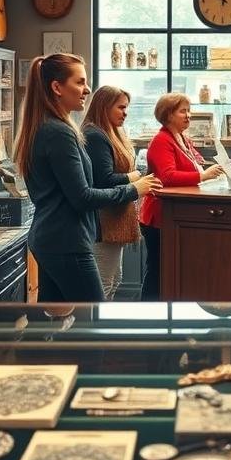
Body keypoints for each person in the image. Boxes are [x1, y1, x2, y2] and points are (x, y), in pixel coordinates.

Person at [14, 54, 161, 302]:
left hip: (52, 239)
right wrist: (134, 189)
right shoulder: (59, 133)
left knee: (53, 316)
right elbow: (83, 197)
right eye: (80, 82)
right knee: (93, 316)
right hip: (66, 242)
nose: (87, 89)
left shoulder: (48, 127)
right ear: (57, 87)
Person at [139, 93, 225, 300]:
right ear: (168, 115)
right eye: (183, 111)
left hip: (175, 214)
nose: (189, 116)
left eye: (189, 111)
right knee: (158, 271)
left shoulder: (182, 138)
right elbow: (167, 176)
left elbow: (195, 162)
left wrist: (202, 169)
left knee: (169, 270)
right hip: (160, 215)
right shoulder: (161, 140)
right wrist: (203, 175)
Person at [81, 86, 142, 300]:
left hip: (114, 220)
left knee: (114, 279)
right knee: (104, 283)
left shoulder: (109, 132)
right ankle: (95, 322)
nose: (125, 113)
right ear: (104, 106)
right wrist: (134, 177)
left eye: (126, 108)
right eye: (121, 107)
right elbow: (103, 181)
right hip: (103, 222)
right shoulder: (95, 135)